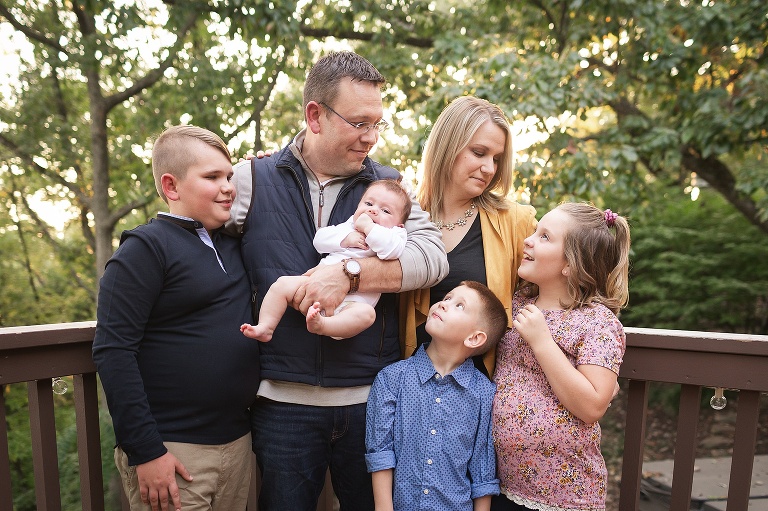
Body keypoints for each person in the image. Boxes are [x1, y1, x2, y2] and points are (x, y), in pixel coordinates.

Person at [226, 50, 448, 511]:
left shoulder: (388, 189)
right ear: (315, 116)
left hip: (370, 400)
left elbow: (432, 258)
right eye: (359, 123)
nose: (371, 137)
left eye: (377, 124)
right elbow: (194, 236)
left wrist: (350, 273)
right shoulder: (251, 178)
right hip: (281, 402)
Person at [92, 125, 259, 511]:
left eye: (230, 176)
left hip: (236, 444)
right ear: (171, 186)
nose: (228, 187)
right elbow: (113, 351)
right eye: (212, 177)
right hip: (174, 452)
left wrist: (262, 167)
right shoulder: (145, 249)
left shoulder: (233, 244)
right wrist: (146, 451)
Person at [491, 202, 631, 511]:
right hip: (502, 486)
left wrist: (542, 342)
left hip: (565, 495)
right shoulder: (514, 303)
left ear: (570, 264)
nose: (528, 240)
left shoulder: (597, 322)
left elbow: (593, 405)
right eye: (535, 230)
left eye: (544, 237)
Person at [399, 95, 537, 379]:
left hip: (480, 398)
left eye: (496, 159)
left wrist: (591, 366)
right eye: (479, 152)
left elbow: (563, 292)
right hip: (403, 393)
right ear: (447, 145)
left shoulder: (516, 222)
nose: (489, 168)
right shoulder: (400, 213)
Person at [365, 281, 506, 511]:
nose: (443, 304)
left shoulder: (484, 393)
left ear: (474, 338)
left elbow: (483, 470)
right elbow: (380, 453)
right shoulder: (391, 378)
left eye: (460, 305)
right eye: (447, 298)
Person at [240, 179, 411, 341]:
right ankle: (266, 326)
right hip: (314, 285)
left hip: (353, 302)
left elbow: (391, 251)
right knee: (281, 284)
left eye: (385, 211)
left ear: (399, 225)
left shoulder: (395, 234)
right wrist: (345, 239)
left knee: (366, 315)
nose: (373, 210)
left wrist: (369, 227)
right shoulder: (349, 226)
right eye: (368, 203)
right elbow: (319, 241)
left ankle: (323, 325)